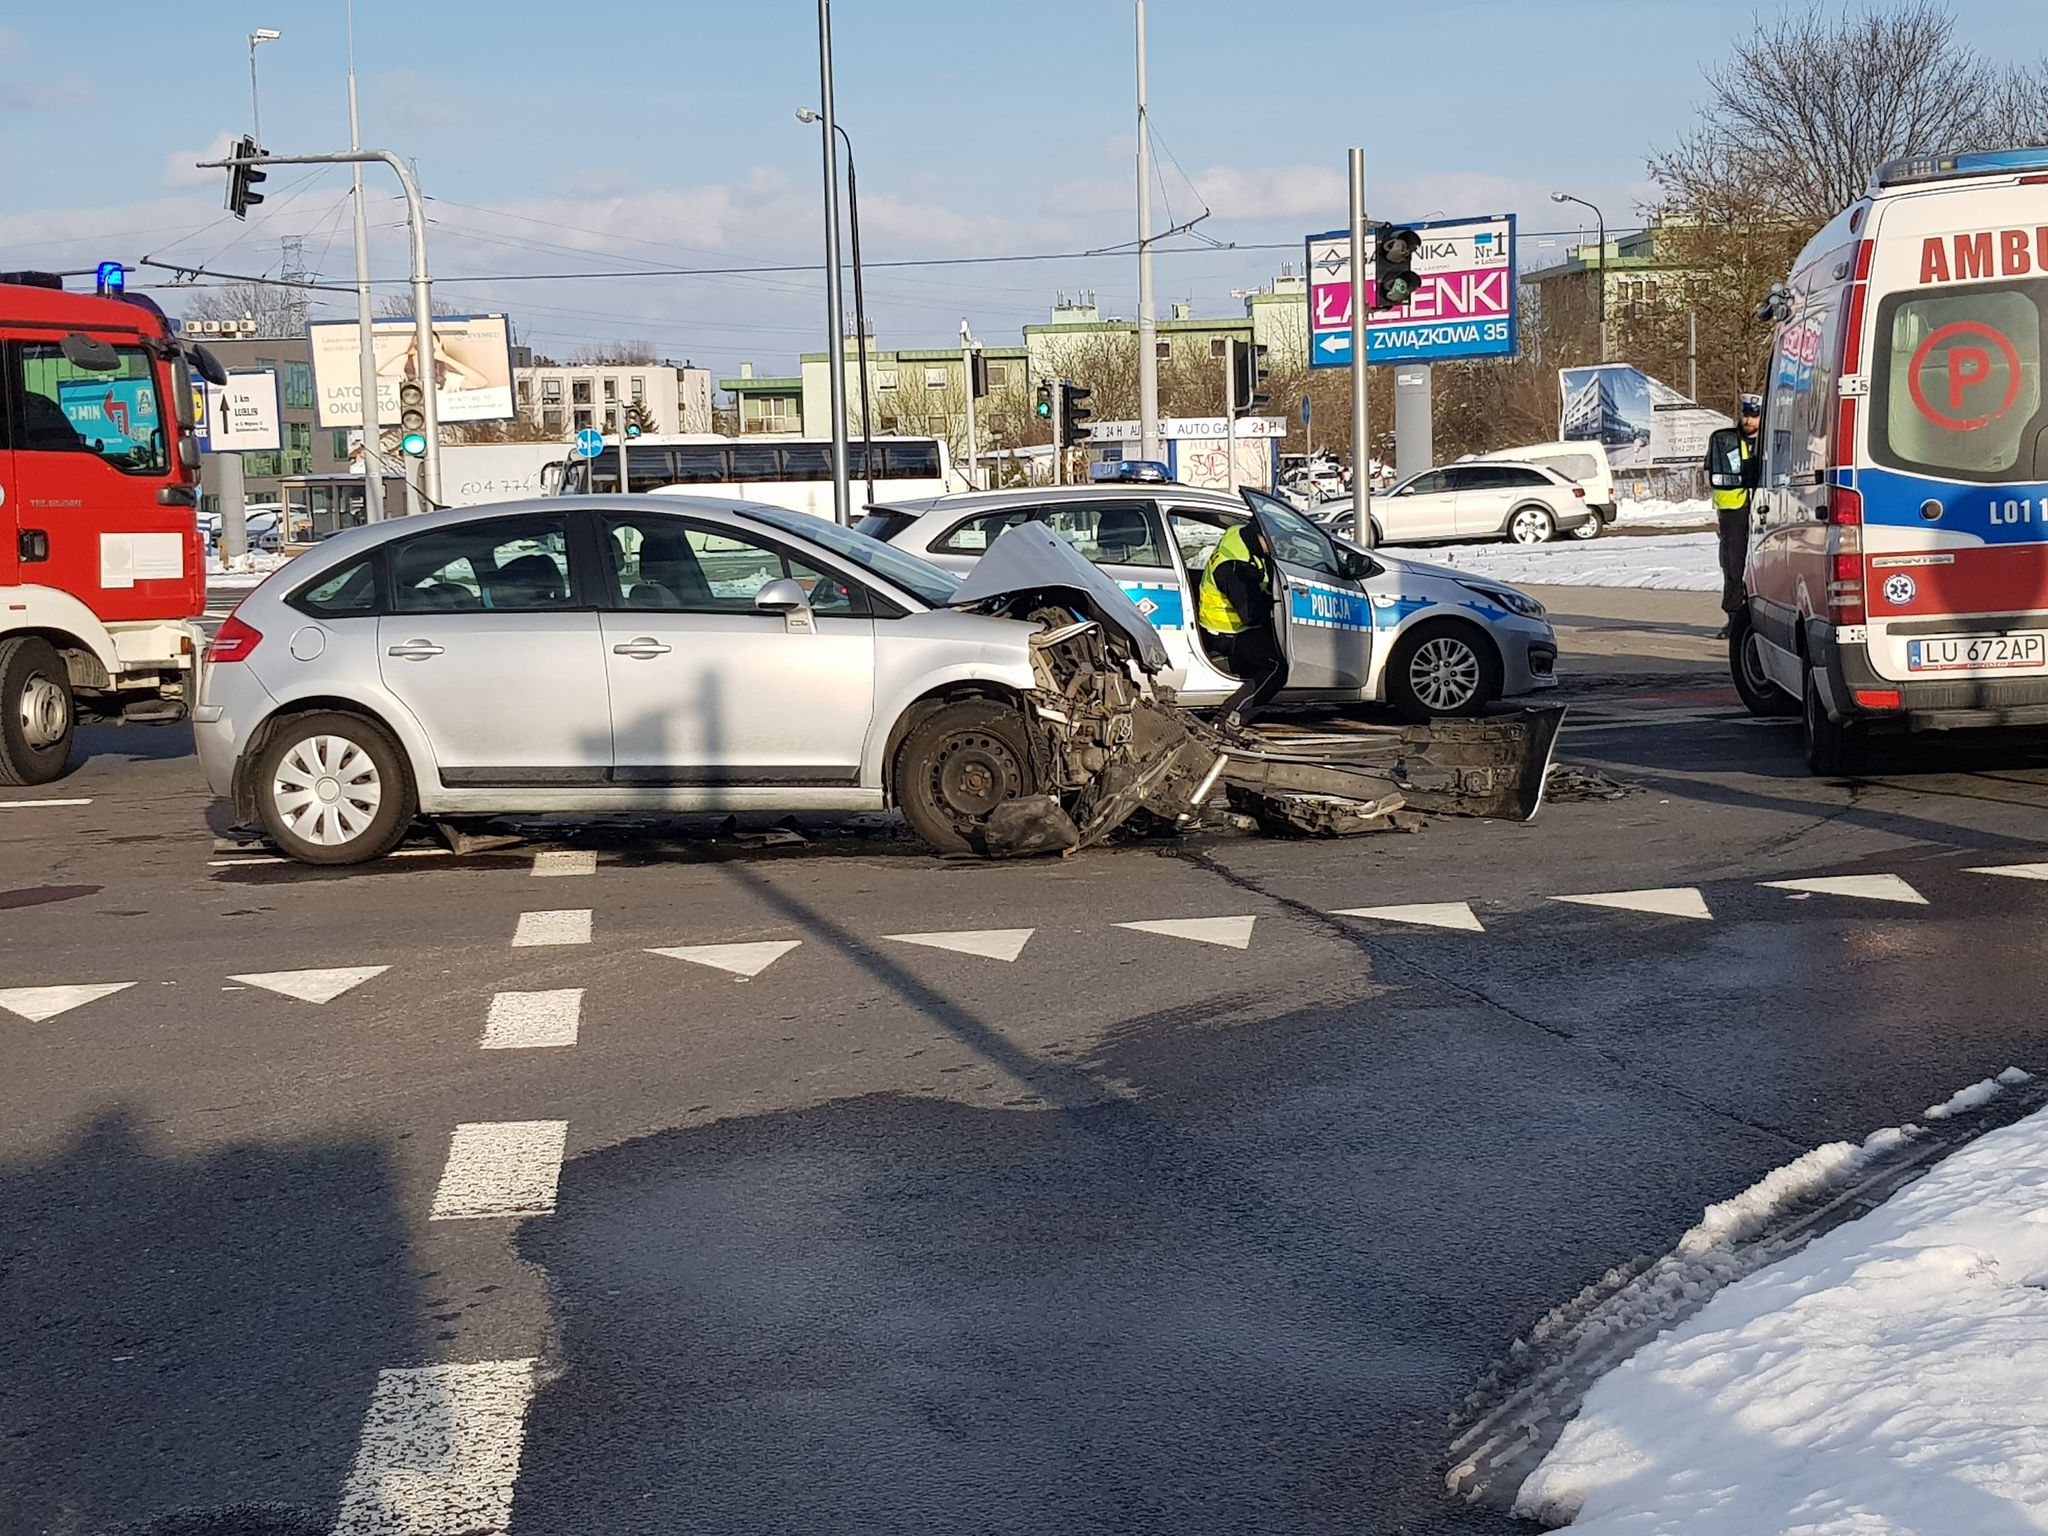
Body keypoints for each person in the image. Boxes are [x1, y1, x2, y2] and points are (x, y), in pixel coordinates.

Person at [1197, 519, 1288, 731]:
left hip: (1233, 628)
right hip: (1229, 633)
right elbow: (1251, 614)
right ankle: (1229, 716)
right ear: (1261, 537)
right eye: (1274, 542)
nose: (1277, 547)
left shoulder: (1239, 538)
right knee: (1278, 665)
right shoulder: (1235, 567)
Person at [1711, 393, 1764, 638]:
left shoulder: (1770, 442)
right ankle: (1734, 618)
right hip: (1733, 511)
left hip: (1765, 509)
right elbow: (1712, 469)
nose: (1749, 420)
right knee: (1733, 565)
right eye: (1746, 414)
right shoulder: (1726, 441)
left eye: (1754, 415)